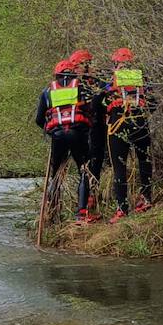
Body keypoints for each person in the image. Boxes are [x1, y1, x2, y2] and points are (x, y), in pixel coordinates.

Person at [34, 59, 92, 222]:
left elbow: (39, 119)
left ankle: (53, 212)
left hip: (58, 136)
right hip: (78, 134)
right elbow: (90, 110)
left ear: (56, 74)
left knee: (56, 174)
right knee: (83, 171)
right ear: (73, 73)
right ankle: (82, 212)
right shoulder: (82, 88)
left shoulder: (47, 92)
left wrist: (50, 130)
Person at [104, 47, 154, 220]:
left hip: (119, 124)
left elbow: (100, 102)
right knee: (144, 161)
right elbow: (153, 103)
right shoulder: (143, 80)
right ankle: (146, 198)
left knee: (119, 167)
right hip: (140, 122)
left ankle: (122, 208)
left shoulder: (111, 81)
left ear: (116, 62)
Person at [68, 49, 107, 223]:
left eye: (80, 66)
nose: (77, 69)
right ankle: (84, 205)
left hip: (97, 127)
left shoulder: (97, 81)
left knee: (96, 163)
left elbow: (104, 94)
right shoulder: (74, 84)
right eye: (76, 66)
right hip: (84, 130)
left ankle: (91, 199)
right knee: (86, 167)